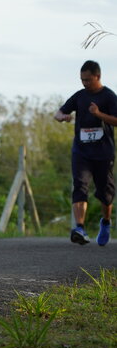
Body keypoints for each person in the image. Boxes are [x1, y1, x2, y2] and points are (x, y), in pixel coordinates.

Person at [54, 60, 117, 246]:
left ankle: (106, 222)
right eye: (82, 80)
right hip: (81, 151)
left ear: (98, 76)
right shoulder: (80, 96)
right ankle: (79, 228)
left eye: (88, 80)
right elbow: (58, 113)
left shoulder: (109, 96)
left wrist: (99, 114)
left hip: (103, 153)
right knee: (80, 185)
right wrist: (63, 117)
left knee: (105, 193)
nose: (84, 83)